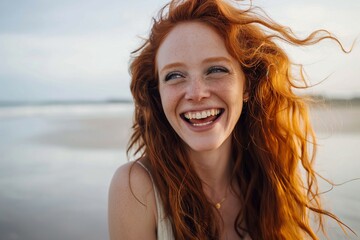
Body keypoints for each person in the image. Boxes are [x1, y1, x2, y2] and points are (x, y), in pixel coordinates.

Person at [108, 0, 351, 239]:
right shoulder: (136, 188)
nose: (196, 93)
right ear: (157, 93)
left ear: (247, 86)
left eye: (216, 70)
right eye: (174, 75)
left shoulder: (270, 177)